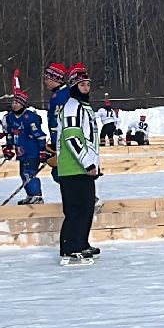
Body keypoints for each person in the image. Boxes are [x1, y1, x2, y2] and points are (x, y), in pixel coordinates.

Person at [53, 65, 103, 264]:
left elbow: (90, 140)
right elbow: (71, 138)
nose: (86, 87)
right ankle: (70, 245)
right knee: (75, 209)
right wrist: (88, 162)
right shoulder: (72, 106)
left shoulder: (85, 107)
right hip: (73, 167)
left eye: (88, 84)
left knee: (86, 207)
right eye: (82, 84)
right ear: (74, 86)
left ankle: (81, 242)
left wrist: (94, 164)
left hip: (84, 168)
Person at [1, 90, 47, 204]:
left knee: (29, 173)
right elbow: (11, 134)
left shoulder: (30, 117)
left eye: (17, 102)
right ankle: (30, 195)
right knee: (23, 174)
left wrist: (42, 150)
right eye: (13, 102)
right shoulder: (10, 117)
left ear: (23, 104)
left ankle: (37, 196)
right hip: (21, 152)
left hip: (32, 151)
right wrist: (8, 147)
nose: (14, 104)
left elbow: (39, 135)